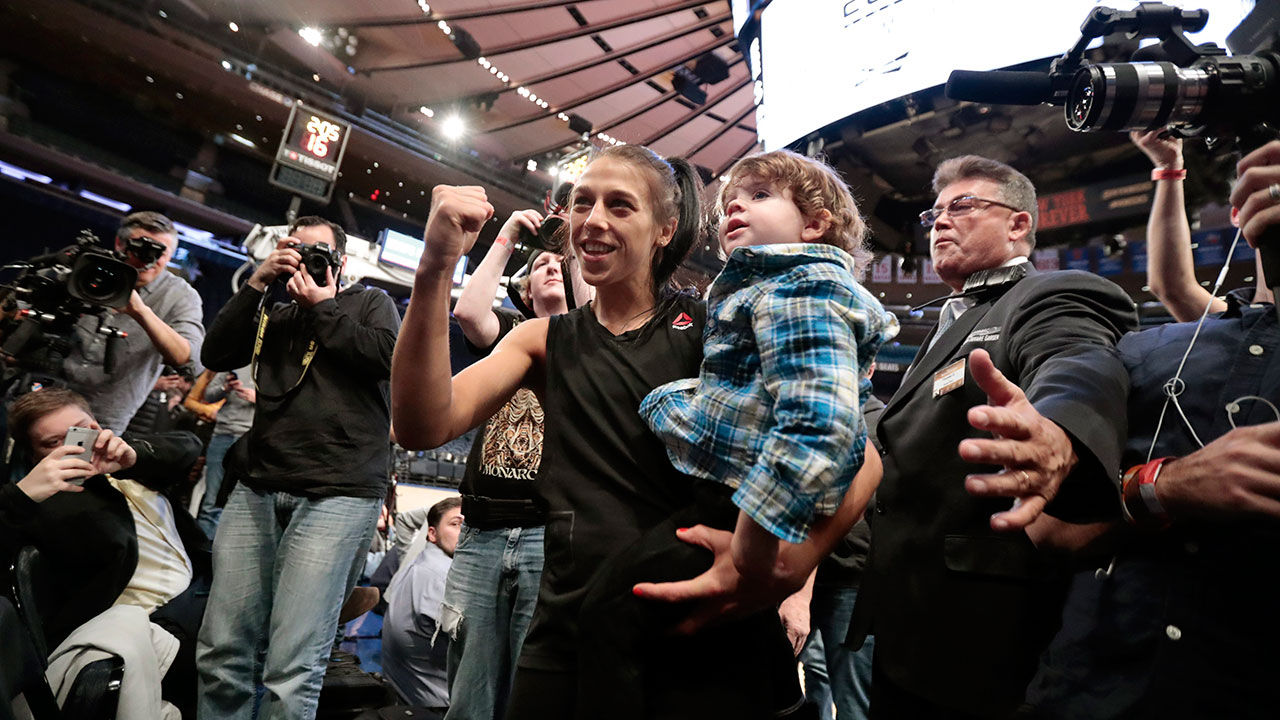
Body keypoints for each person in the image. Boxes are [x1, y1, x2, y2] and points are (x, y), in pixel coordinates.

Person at [392, 146, 864, 719]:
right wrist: (434, 268)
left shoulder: (720, 325)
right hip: (571, 624)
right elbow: (421, 424)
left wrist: (786, 568)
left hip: (708, 621)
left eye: (620, 206)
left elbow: (859, 452)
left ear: (666, 228)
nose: (593, 220)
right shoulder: (543, 338)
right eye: (582, 203)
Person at [575, 148, 896, 717]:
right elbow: (745, 403)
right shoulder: (758, 289)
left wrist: (756, 540)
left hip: (741, 509)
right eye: (728, 202)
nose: (734, 208)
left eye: (759, 195)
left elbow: (820, 423)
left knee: (612, 613)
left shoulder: (801, 288)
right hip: (731, 505)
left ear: (816, 222)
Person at [844, 155, 1137, 718]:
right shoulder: (950, 321)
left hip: (983, 639)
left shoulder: (1051, 294)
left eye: (963, 206)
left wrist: (1060, 431)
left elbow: (1076, 364)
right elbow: (907, 439)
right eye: (934, 213)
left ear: (1019, 224)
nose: (941, 223)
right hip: (906, 623)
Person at [1023, 140, 1280, 720]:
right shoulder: (1159, 345)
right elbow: (1173, 285)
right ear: (1240, 208)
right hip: (1091, 690)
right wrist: (1168, 170)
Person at [195, 215, 401, 720]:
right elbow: (215, 352)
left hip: (340, 491)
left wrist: (324, 307)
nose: (306, 259)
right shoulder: (273, 312)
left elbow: (387, 358)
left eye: (319, 251)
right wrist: (259, 282)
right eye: (295, 248)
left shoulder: (369, 303)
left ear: (342, 261)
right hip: (258, 486)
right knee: (222, 653)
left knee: (293, 666)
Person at [0, 387, 206, 717]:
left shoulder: (130, 466)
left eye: (82, 430)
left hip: (200, 587)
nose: (78, 445)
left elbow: (188, 445)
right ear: (35, 457)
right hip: (156, 620)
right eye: (54, 443)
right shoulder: (52, 504)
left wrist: (133, 456)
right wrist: (21, 497)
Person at [440, 211, 568, 720]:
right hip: (483, 530)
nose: (553, 269)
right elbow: (469, 312)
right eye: (541, 266)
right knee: (469, 694)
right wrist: (511, 234)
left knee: (534, 689)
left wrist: (569, 243)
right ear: (524, 290)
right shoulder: (509, 335)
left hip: (548, 534)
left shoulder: (591, 339)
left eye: (563, 264)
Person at [65, 211, 205, 433]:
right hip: (42, 397)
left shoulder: (180, 295)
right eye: (140, 248)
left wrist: (140, 311)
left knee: (72, 468)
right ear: (120, 243)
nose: (148, 259)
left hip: (100, 419)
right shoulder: (89, 266)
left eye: (160, 252)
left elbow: (191, 361)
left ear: (171, 255)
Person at [1131, 129, 1274, 321]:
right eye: (1262, 190)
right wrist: (1168, 167)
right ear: (1237, 213)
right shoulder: (1237, 325)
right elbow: (1173, 287)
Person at [382, 496, 464, 710]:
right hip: (436, 704)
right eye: (456, 524)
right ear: (432, 534)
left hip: (406, 693)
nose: (465, 532)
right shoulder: (444, 578)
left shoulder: (416, 565)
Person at [183, 365, 254, 539]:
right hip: (222, 434)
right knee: (212, 500)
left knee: (244, 503)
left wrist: (259, 398)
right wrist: (225, 388)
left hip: (252, 438)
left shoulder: (275, 366)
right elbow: (207, 395)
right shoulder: (236, 362)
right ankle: (203, 556)